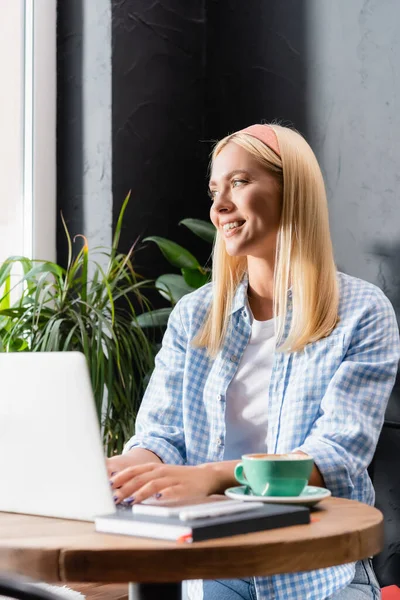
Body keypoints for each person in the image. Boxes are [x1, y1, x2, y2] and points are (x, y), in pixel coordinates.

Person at [107, 123, 400, 600]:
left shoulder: (362, 312)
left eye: (239, 183)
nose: (220, 205)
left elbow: (336, 455)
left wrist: (211, 476)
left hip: (317, 569)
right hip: (215, 563)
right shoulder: (196, 315)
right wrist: (127, 471)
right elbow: (161, 436)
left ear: (294, 191)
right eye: (214, 190)